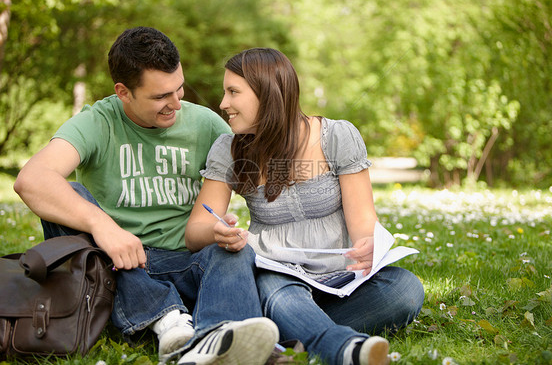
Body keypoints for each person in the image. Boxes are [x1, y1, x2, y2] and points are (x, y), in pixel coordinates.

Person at [13, 28, 279, 365]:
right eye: (160, 97)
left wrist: (220, 229)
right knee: (67, 195)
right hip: (116, 269)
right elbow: (32, 180)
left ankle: (216, 340)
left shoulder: (206, 124)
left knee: (232, 251)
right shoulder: (96, 122)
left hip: (185, 262)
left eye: (178, 88)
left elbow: (260, 182)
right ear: (123, 92)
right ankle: (168, 320)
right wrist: (103, 226)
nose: (176, 103)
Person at [184, 48, 425, 365]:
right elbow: (195, 232)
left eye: (233, 92)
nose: (223, 104)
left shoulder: (336, 137)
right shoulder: (228, 149)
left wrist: (368, 244)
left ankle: (291, 335)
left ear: (267, 94)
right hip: (280, 277)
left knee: (404, 288)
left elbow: (364, 221)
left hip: (342, 280)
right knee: (276, 290)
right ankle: (340, 347)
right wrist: (216, 231)